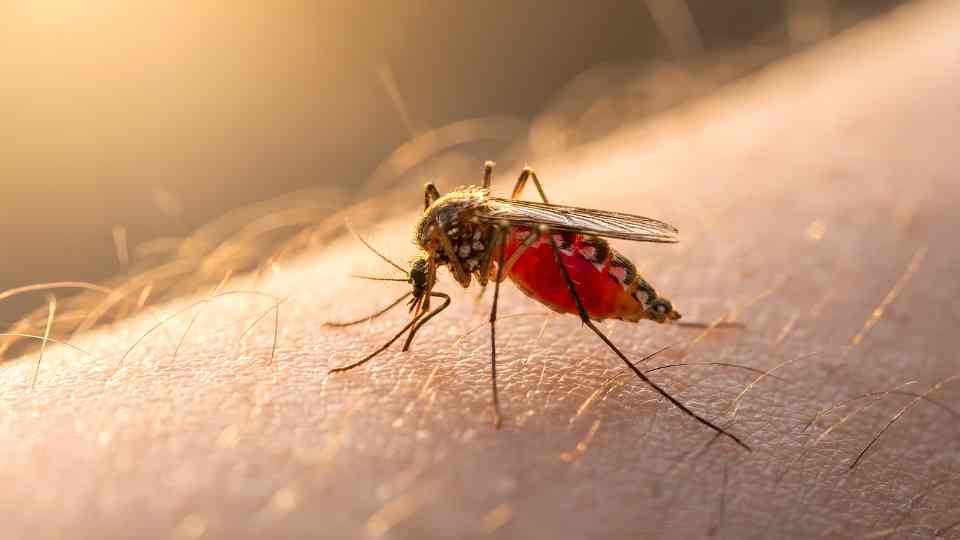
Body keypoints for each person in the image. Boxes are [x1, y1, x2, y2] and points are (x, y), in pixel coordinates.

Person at [2, 3, 959, 538]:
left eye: (428, 276)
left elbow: (500, 258)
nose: (431, 281)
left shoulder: (478, 233)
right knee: (529, 234)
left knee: (540, 250)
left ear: (440, 249)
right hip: (540, 241)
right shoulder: (451, 234)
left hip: (561, 252)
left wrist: (537, 287)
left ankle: (652, 335)